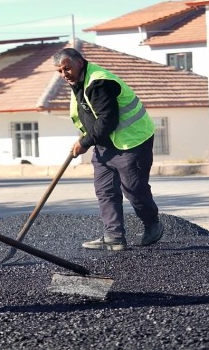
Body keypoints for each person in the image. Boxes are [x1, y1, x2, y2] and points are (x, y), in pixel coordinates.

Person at [53, 41, 163, 252]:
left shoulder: (99, 82)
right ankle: (114, 237)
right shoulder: (78, 82)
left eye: (67, 68)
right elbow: (89, 116)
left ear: (79, 62)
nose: (64, 74)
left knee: (133, 189)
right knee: (105, 190)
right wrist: (87, 138)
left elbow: (107, 120)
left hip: (132, 142)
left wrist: (84, 143)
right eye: (60, 71)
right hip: (105, 144)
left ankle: (152, 224)